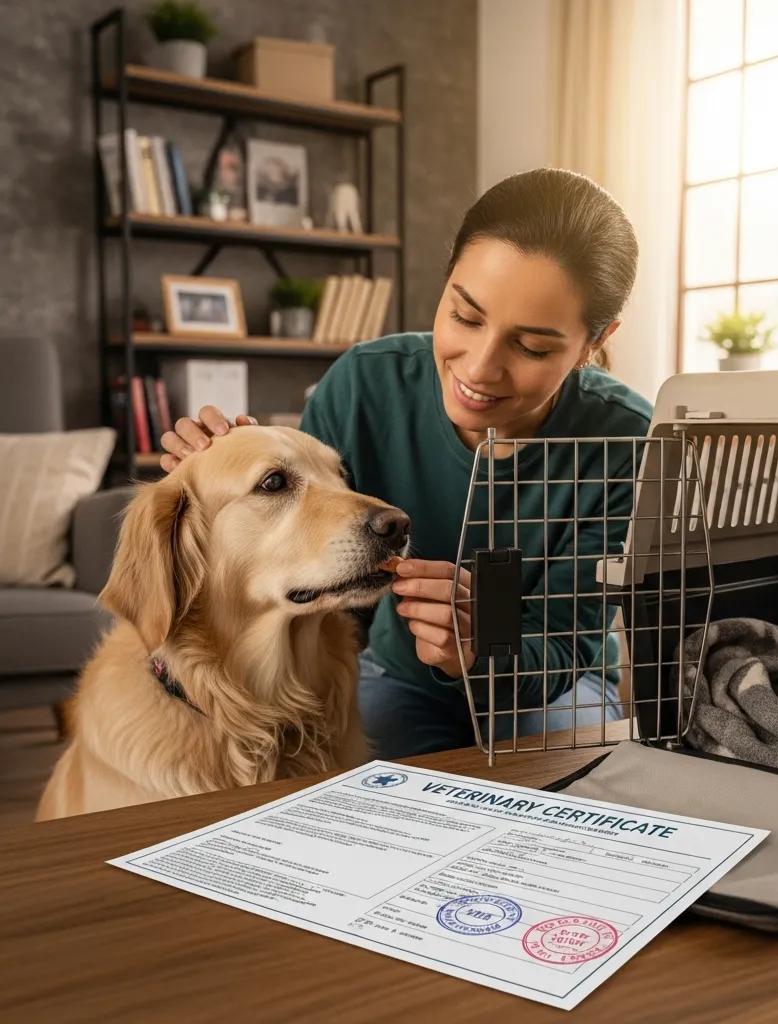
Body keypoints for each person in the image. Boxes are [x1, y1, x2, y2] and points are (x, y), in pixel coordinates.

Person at [160, 168, 653, 758]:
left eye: (532, 347)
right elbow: (298, 567)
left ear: (595, 341)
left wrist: (476, 646)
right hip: (400, 678)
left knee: (563, 807)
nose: (478, 368)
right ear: (445, 283)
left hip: (551, 690)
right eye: (465, 317)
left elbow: (564, 646)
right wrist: (227, 474)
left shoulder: (627, 440)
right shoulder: (365, 383)